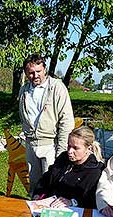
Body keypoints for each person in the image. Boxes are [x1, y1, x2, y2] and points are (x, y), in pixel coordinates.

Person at [19, 54, 75, 195]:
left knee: (52, 186)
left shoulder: (57, 87)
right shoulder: (24, 90)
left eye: (38, 71)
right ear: (26, 73)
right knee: (35, 187)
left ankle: (50, 215)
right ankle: (34, 213)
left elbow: (66, 121)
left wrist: (62, 151)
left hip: (51, 145)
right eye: (31, 73)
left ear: (45, 69)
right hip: (31, 145)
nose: (35, 75)